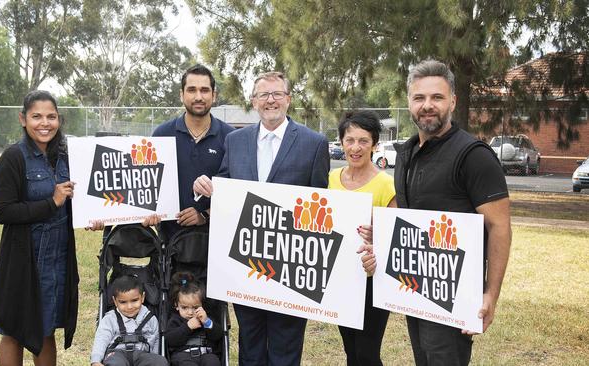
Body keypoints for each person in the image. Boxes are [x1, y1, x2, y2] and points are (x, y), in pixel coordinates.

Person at [366, 59, 511, 365]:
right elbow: (405, 218)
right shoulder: (405, 154)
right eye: (419, 98)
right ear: (409, 103)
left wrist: (491, 295)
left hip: (455, 297)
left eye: (437, 97)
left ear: (453, 101)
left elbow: (499, 226)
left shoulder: (474, 156)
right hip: (414, 289)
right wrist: (377, 238)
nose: (427, 106)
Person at [193, 71, 330, 366]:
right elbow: (226, 184)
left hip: (290, 269)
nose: (271, 100)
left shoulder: (314, 143)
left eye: (277, 94)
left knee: (285, 348)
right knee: (251, 345)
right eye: (263, 95)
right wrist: (206, 187)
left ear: (289, 99)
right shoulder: (236, 140)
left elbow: (322, 205)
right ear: (254, 102)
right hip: (247, 265)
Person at [0, 90, 79, 365]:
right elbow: (2, 211)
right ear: (23, 119)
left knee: (46, 329)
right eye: (37, 116)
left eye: (51, 116)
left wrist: (92, 218)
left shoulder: (66, 156)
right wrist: (51, 202)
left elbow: (77, 201)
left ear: (59, 120)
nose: (45, 123)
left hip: (57, 257)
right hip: (23, 258)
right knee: (14, 329)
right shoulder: (14, 158)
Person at [330, 110, 396, 366]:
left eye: (363, 141)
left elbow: (393, 238)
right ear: (341, 142)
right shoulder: (330, 179)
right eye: (350, 140)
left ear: (375, 144)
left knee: (368, 354)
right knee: (351, 351)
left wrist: (376, 237)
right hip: (341, 278)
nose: (355, 148)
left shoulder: (386, 185)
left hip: (373, 281)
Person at [143, 64, 235, 238]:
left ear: (214, 96)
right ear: (181, 94)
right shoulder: (162, 134)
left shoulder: (231, 137)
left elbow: (237, 192)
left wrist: (204, 215)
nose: (198, 97)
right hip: (170, 243)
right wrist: (150, 211)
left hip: (217, 241)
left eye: (205, 90)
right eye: (192, 90)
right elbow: (149, 185)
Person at [90, 275, 168, 366]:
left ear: (142, 298)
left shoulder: (150, 319)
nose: (129, 307)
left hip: (142, 355)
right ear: (115, 301)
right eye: (123, 302)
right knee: (115, 363)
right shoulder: (110, 319)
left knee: (159, 361)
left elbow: (155, 342)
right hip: (117, 354)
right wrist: (96, 361)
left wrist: (155, 357)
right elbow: (101, 340)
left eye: (134, 300)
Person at [165, 272, 222, 366]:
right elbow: (170, 340)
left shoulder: (205, 318)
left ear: (202, 305)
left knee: (212, 360)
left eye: (195, 308)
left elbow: (218, 336)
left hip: (206, 353)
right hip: (183, 355)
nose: (190, 312)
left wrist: (207, 322)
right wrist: (187, 327)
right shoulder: (175, 320)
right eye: (184, 307)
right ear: (176, 305)